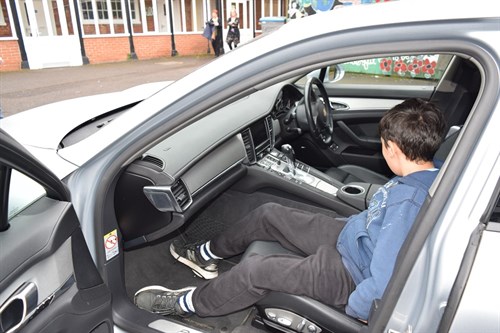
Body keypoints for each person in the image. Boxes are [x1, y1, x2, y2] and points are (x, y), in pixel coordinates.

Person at [134, 98, 447, 321]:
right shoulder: (436, 173)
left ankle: (188, 304)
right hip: (353, 237)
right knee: (269, 214)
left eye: (382, 145)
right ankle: (204, 256)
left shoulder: (408, 204)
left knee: (258, 271)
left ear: (392, 148)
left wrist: (355, 312)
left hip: (350, 274)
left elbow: (383, 280)